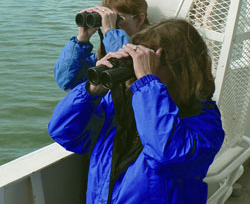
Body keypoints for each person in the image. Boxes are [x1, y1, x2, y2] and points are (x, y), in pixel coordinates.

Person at [48, 19, 225, 203]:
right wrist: (91, 92)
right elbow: (64, 133)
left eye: (147, 62)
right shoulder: (122, 104)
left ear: (179, 69)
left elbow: (168, 157)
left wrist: (148, 83)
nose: (136, 68)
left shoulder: (204, 121)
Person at [54, 0, 149, 90]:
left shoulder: (149, 54)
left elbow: (126, 67)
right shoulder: (105, 53)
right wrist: (81, 40)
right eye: (107, 18)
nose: (111, 23)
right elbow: (66, 82)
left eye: (118, 18)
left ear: (139, 19)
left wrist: (110, 30)